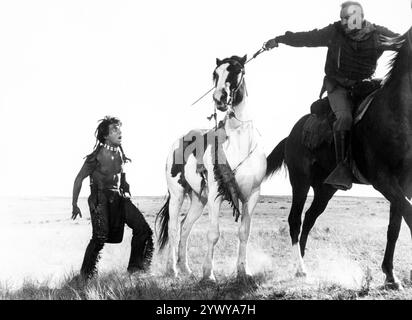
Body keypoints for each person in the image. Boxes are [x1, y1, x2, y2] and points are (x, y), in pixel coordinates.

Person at [264, 1, 399, 190]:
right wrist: (279, 40)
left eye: (348, 17)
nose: (343, 21)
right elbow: (307, 38)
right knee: (344, 118)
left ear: (360, 16)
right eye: (342, 17)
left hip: (366, 86)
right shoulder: (334, 33)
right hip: (338, 87)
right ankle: (342, 167)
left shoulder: (378, 35)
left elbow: (403, 43)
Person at [72, 116, 153, 280]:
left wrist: (125, 185)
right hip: (100, 198)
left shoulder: (119, 154)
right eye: (114, 129)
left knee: (143, 230)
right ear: (105, 136)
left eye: (119, 128)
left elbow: (121, 175)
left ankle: (136, 270)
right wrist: (74, 204)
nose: (119, 131)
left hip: (118, 198)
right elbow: (79, 179)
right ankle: (85, 276)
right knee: (99, 238)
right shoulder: (95, 156)